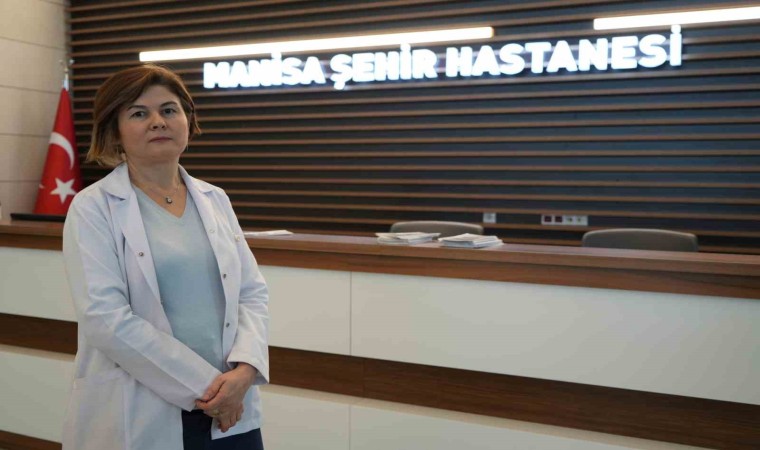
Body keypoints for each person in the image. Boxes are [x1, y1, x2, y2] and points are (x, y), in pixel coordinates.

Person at [61, 64, 269, 450]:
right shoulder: (93, 207)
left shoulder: (215, 199)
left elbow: (251, 293)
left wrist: (245, 370)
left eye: (169, 110)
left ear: (188, 121)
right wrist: (210, 388)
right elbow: (105, 318)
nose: (158, 121)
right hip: (147, 407)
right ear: (115, 132)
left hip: (230, 410)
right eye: (139, 113)